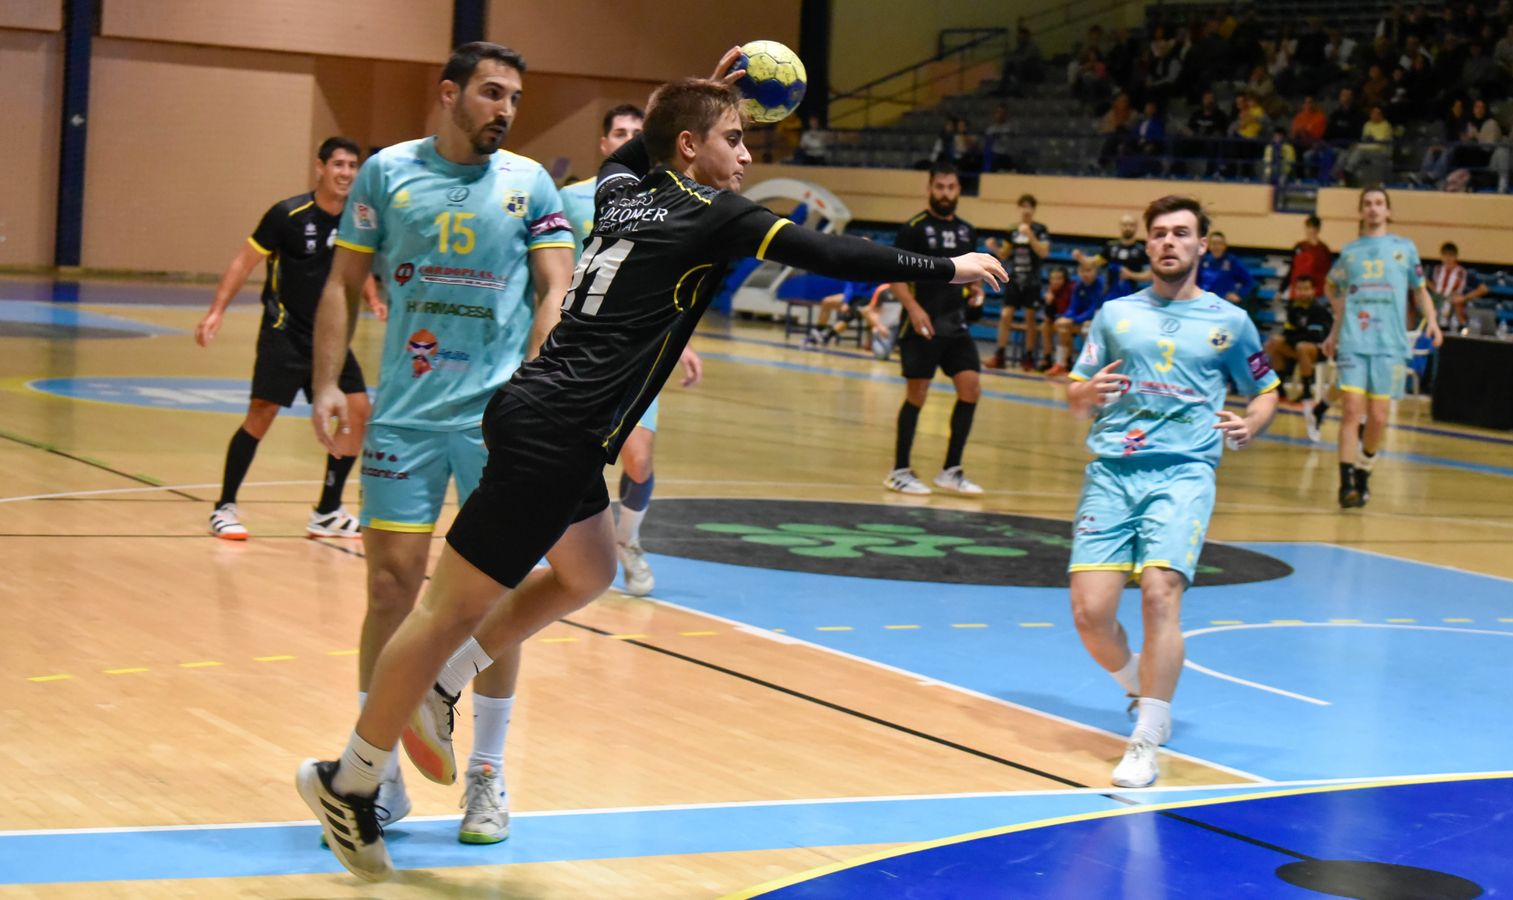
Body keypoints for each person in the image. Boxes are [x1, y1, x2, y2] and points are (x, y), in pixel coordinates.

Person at [296, 52, 1007, 882]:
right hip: (555, 428)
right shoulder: (717, 214)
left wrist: (700, 89)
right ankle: (348, 779)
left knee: (589, 569)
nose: (746, 155)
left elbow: (633, 150)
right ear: (689, 148)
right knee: (445, 609)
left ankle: (444, 685)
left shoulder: (623, 192)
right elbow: (832, 253)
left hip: (548, 420)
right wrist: (946, 267)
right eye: (734, 138)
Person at [306, 42, 578, 847]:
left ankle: (488, 774)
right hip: (406, 417)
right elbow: (342, 285)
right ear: (449, 93)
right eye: (491, 93)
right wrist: (326, 385)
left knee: (489, 599)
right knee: (391, 591)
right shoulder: (385, 174)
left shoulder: (530, 184)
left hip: (499, 423)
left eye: (515, 99)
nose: (504, 109)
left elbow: (555, 287)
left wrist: (537, 390)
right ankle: (377, 773)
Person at [1066, 194, 1279, 789]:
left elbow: (1267, 388)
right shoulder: (1114, 315)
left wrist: (1252, 422)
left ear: (1201, 246)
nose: (1168, 242)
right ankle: (1142, 684)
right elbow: (1075, 390)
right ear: (1147, 244)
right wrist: (1086, 395)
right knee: (1090, 614)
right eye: (1159, 233)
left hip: (1184, 472)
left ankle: (1145, 737)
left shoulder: (1230, 322)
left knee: (1160, 594)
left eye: (1181, 234)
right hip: (1112, 473)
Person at [196, 137, 382, 541]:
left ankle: (328, 511)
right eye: (339, 164)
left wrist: (373, 298)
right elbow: (243, 262)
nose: (346, 173)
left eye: (353, 166)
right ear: (320, 167)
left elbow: (357, 264)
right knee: (262, 414)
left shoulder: (357, 217)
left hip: (330, 340)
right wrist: (217, 311)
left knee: (358, 412)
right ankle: (224, 506)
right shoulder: (287, 214)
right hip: (284, 334)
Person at [561, 102, 704, 597]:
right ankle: (572, 540)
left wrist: (680, 342)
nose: (628, 138)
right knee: (573, 458)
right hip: (578, 354)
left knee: (638, 461)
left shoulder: (672, 202)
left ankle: (628, 542)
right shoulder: (570, 200)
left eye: (637, 132)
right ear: (606, 145)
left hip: (640, 353)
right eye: (620, 132)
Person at [1323, 186, 1443, 509]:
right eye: (1367, 204)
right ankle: (1345, 483)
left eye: (1379, 204)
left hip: (1390, 342)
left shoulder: (1404, 249)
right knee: (1351, 411)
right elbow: (1332, 285)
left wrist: (1432, 320)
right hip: (1354, 339)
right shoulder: (1350, 253)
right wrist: (1337, 320)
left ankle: (1364, 471)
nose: (1373, 209)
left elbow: (1420, 291)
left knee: (1378, 416)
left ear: (1388, 211)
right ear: (1361, 212)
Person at [884, 161, 991, 496]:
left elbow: (969, 273)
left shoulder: (966, 231)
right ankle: (899, 470)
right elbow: (894, 276)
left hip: (955, 325)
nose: (946, 193)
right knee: (917, 395)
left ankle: (951, 470)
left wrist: (976, 290)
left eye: (952, 187)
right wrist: (913, 309)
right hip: (923, 324)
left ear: (958, 191)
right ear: (929, 188)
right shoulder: (913, 228)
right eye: (940, 187)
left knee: (971, 388)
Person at [984, 194, 1051, 371]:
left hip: (1032, 279)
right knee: (1005, 315)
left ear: (1034, 210)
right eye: (1023, 206)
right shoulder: (1012, 230)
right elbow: (1005, 254)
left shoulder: (1040, 229)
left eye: (1029, 207)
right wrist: (994, 248)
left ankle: (1028, 357)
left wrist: (1030, 235)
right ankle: (1000, 354)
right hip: (1014, 278)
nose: (1026, 210)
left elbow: (1044, 253)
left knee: (1030, 317)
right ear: (1019, 209)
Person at [1267, 275, 1335, 441]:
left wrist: (1295, 337)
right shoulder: (1293, 307)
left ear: (1313, 290)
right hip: (1299, 346)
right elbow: (1288, 332)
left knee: (1302, 347)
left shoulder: (1319, 309)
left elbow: (1316, 336)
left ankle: (1306, 393)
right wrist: (1291, 338)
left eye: (1306, 289)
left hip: (1319, 350)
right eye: (1299, 289)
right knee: (1273, 343)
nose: (1302, 292)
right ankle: (1279, 388)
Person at [1046, 254, 1116, 376]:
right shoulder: (1079, 286)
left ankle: (1091, 367)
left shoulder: (1101, 286)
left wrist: (1072, 320)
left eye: (1089, 270)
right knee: (1063, 328)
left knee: (1088, 328)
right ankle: (1061, 364)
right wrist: (1065, 317)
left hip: (1101, 321)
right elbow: (1073, 307)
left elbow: (1092, 311)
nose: (1085, 274)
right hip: (1083, 320)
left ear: (1096, 271)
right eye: (1082, 271)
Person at [1077, 213, 1152, 297]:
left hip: (1132, 294)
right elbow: (1096, 262)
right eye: (1125, 225)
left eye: (1131, 225)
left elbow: (1150, 275)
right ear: (1120, 226)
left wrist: (1131, 275)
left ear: (1136, 227)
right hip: (1111, 293)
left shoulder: (1141, 250)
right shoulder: (1111, 247)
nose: (1128, 228)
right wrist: (1082, 258)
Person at [1429, 241, 1488, 331]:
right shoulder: (1436, 270)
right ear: (1441, 256)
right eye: (1445, 255)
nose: (1448, 259)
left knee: (1456, 306)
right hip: (1437, 304)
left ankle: (1460, 327)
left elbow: (1483, 289)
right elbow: (1426, 282)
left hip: (1454, 306)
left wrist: (1464, 298)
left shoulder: (1463, 273)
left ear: (1455, 257)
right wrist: (1436, 292)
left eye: (1451, 256)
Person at [1197, 230, 1256, 306]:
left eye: (1219, 244)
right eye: (1214, 244)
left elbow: (1249, 281)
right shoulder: (1203, 261)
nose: (1216, 247)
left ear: (1224, 245)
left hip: (1224, 303)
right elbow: (1195, 282)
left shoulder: (1232, 262)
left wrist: (1239, 295)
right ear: (1208, 245)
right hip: (1204, 302)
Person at [1286, 215, 1333, 299]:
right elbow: (1291, 270)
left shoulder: (1324, 250)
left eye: (1313, 228)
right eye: (1308, 227)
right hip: (1297, 293)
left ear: (1318, 230)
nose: (1310, 230)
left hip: (1316, 294)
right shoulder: (1299, 247)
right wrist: (1280, 290)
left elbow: (1329, 274)